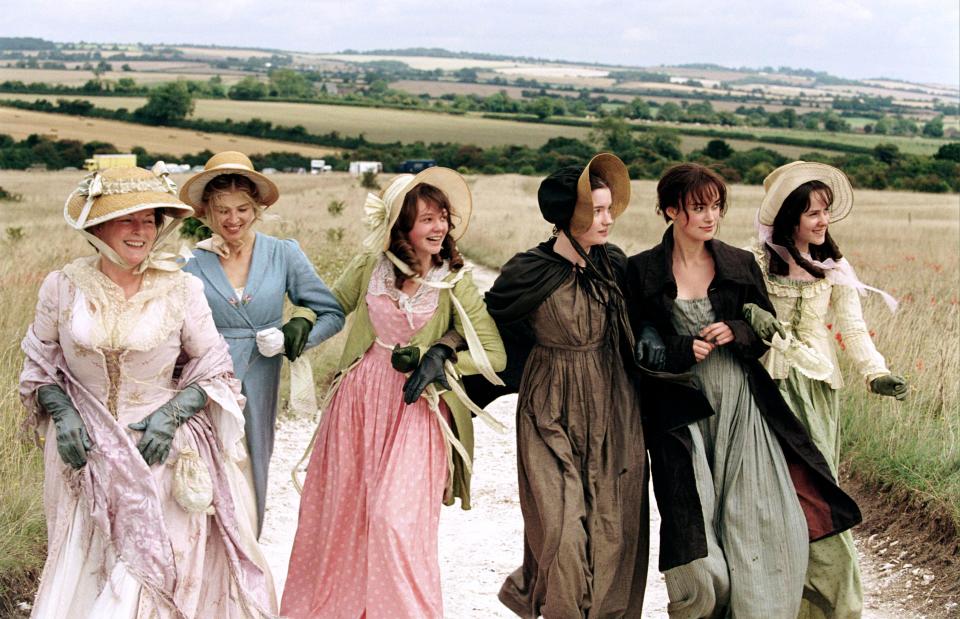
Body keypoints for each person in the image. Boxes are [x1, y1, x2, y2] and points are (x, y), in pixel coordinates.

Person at [19, 164, 274, 617]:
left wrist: (172, 415)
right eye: (128, 219)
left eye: (150, 220)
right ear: (97, 226)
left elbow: (215, 368)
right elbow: (39, 365)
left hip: (160, 453)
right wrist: (62, 411)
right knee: (89, 567)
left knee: (144, 577)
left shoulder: (181, 288)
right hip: (83, 455)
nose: (141, 231)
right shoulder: (62, 287)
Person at [624, 163, 861, 618]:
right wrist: (675, 348)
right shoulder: (641, 271)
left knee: (763, 520)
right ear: (671, 210)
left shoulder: (738, 262)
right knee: (696, 534)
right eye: (698, 207)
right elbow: (634, 343)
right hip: (682, 416)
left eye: (716, 206)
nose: (710, 216)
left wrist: (736, 329)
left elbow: (764, 332)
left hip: (742, 406)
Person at [280, 167, 506, 618]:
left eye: (443, 216)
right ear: (401, 224)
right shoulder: (372, 267)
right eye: (427, 218)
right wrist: (305, 318)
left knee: (393, 522)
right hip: (359, 403)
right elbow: (331, 304)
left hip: (416, 411)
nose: (440, 226)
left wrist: (441, 351)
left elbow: (494, 354)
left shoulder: (454, 280)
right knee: (343, 516)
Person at [477, 154, 649, 617]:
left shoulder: (614, 265)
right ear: (568, 216)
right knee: (561, 533)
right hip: (548, 408)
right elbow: (483, 323)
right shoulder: (528, 270)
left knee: (612, 532)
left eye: (609, 209)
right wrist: (441, 351)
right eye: (597, 211)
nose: (608, 219)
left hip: (613, 409)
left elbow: (646, 322)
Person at [746, 161, 908, 619]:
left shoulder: (834, 267)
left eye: (826, 212)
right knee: (771, 495)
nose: (823, 222)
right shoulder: (756, 260)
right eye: (814, 213)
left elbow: (854, 331)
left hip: (817, 390)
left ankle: (831, 604)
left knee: (816, 491)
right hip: (767, 386)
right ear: (790, 216)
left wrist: (875, 373)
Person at [180, 151, 345, 536]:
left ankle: (248, 555)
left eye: (242, 209)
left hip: (261, 376)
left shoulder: (283, 253)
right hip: (206, 381)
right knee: (205, 468)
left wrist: (290, 339)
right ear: (206, 212)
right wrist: (180, 262)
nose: (232, 219)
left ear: (257, 209)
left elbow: (331, 314)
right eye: (221, 210)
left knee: (254, 463)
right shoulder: (192, 262)